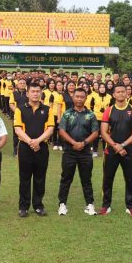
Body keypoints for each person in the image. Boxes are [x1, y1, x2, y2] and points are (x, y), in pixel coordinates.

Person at [99, 84, 132, 217]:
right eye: (118, 92)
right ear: (114, 94)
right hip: (111, 151)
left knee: (130, 179)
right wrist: (115, 146)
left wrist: (122, 145)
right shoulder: (109, 110)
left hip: (129, 151)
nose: (121, 94)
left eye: (123, 91)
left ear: (127, 94)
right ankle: (106, 205)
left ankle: (130, 206)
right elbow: (103, 132)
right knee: (108, 179)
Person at [13, 83, 55, 217]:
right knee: (24, 177)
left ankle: (38, 205)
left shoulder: (48, 109)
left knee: (40, 177)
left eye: (38, 91)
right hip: (25, 147)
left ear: (41, 93)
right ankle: (23, 207)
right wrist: (31, 142)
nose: (35, 94)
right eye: (33, 91)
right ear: (27, 93)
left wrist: (38, 141)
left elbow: (50, 129)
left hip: (42, 147)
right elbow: (18, 129)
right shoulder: (20, 109)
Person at [56, 88, 99, 216]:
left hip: (85, 152)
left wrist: (84, 143)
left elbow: (95, 132)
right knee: (66, 178)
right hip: (69, 151)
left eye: (82, 97)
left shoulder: (91, 115)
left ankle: (89, 204)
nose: (79, 99)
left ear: (86, 98)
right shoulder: (67, 114)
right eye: (77, 96)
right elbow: (61, 130)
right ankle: (62, 204)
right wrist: (74, 143)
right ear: (73, 98)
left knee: (86, 179)